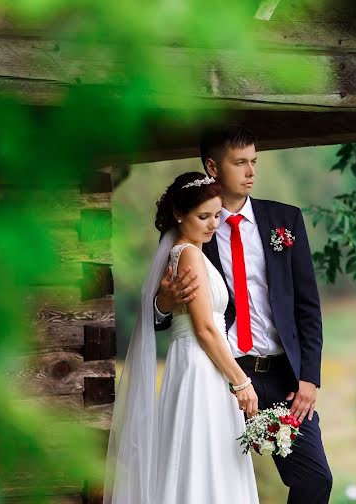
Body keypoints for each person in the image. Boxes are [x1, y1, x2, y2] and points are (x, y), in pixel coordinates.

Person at [155, 126, 333, 503]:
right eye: (240, 163)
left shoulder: (285, 221)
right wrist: (163, 304)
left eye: (254, 161)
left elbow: (307, 308)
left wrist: (309, 379)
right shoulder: (190, 231)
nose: (251, 171)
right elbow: (170, 309)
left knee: (315, 479)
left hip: (284, 377)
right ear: (212, 167)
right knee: (214, 481)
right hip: (222, 375)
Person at [103, 172, 260, 504]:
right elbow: (204, 328)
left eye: (217, 214)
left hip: (202, 366)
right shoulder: (188, 254)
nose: (213, 224)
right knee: (202, 461)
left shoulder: (192, 252)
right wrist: (242, 382)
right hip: (201, 368)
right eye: (203, 216)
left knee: (205, 459)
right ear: (179, 214)